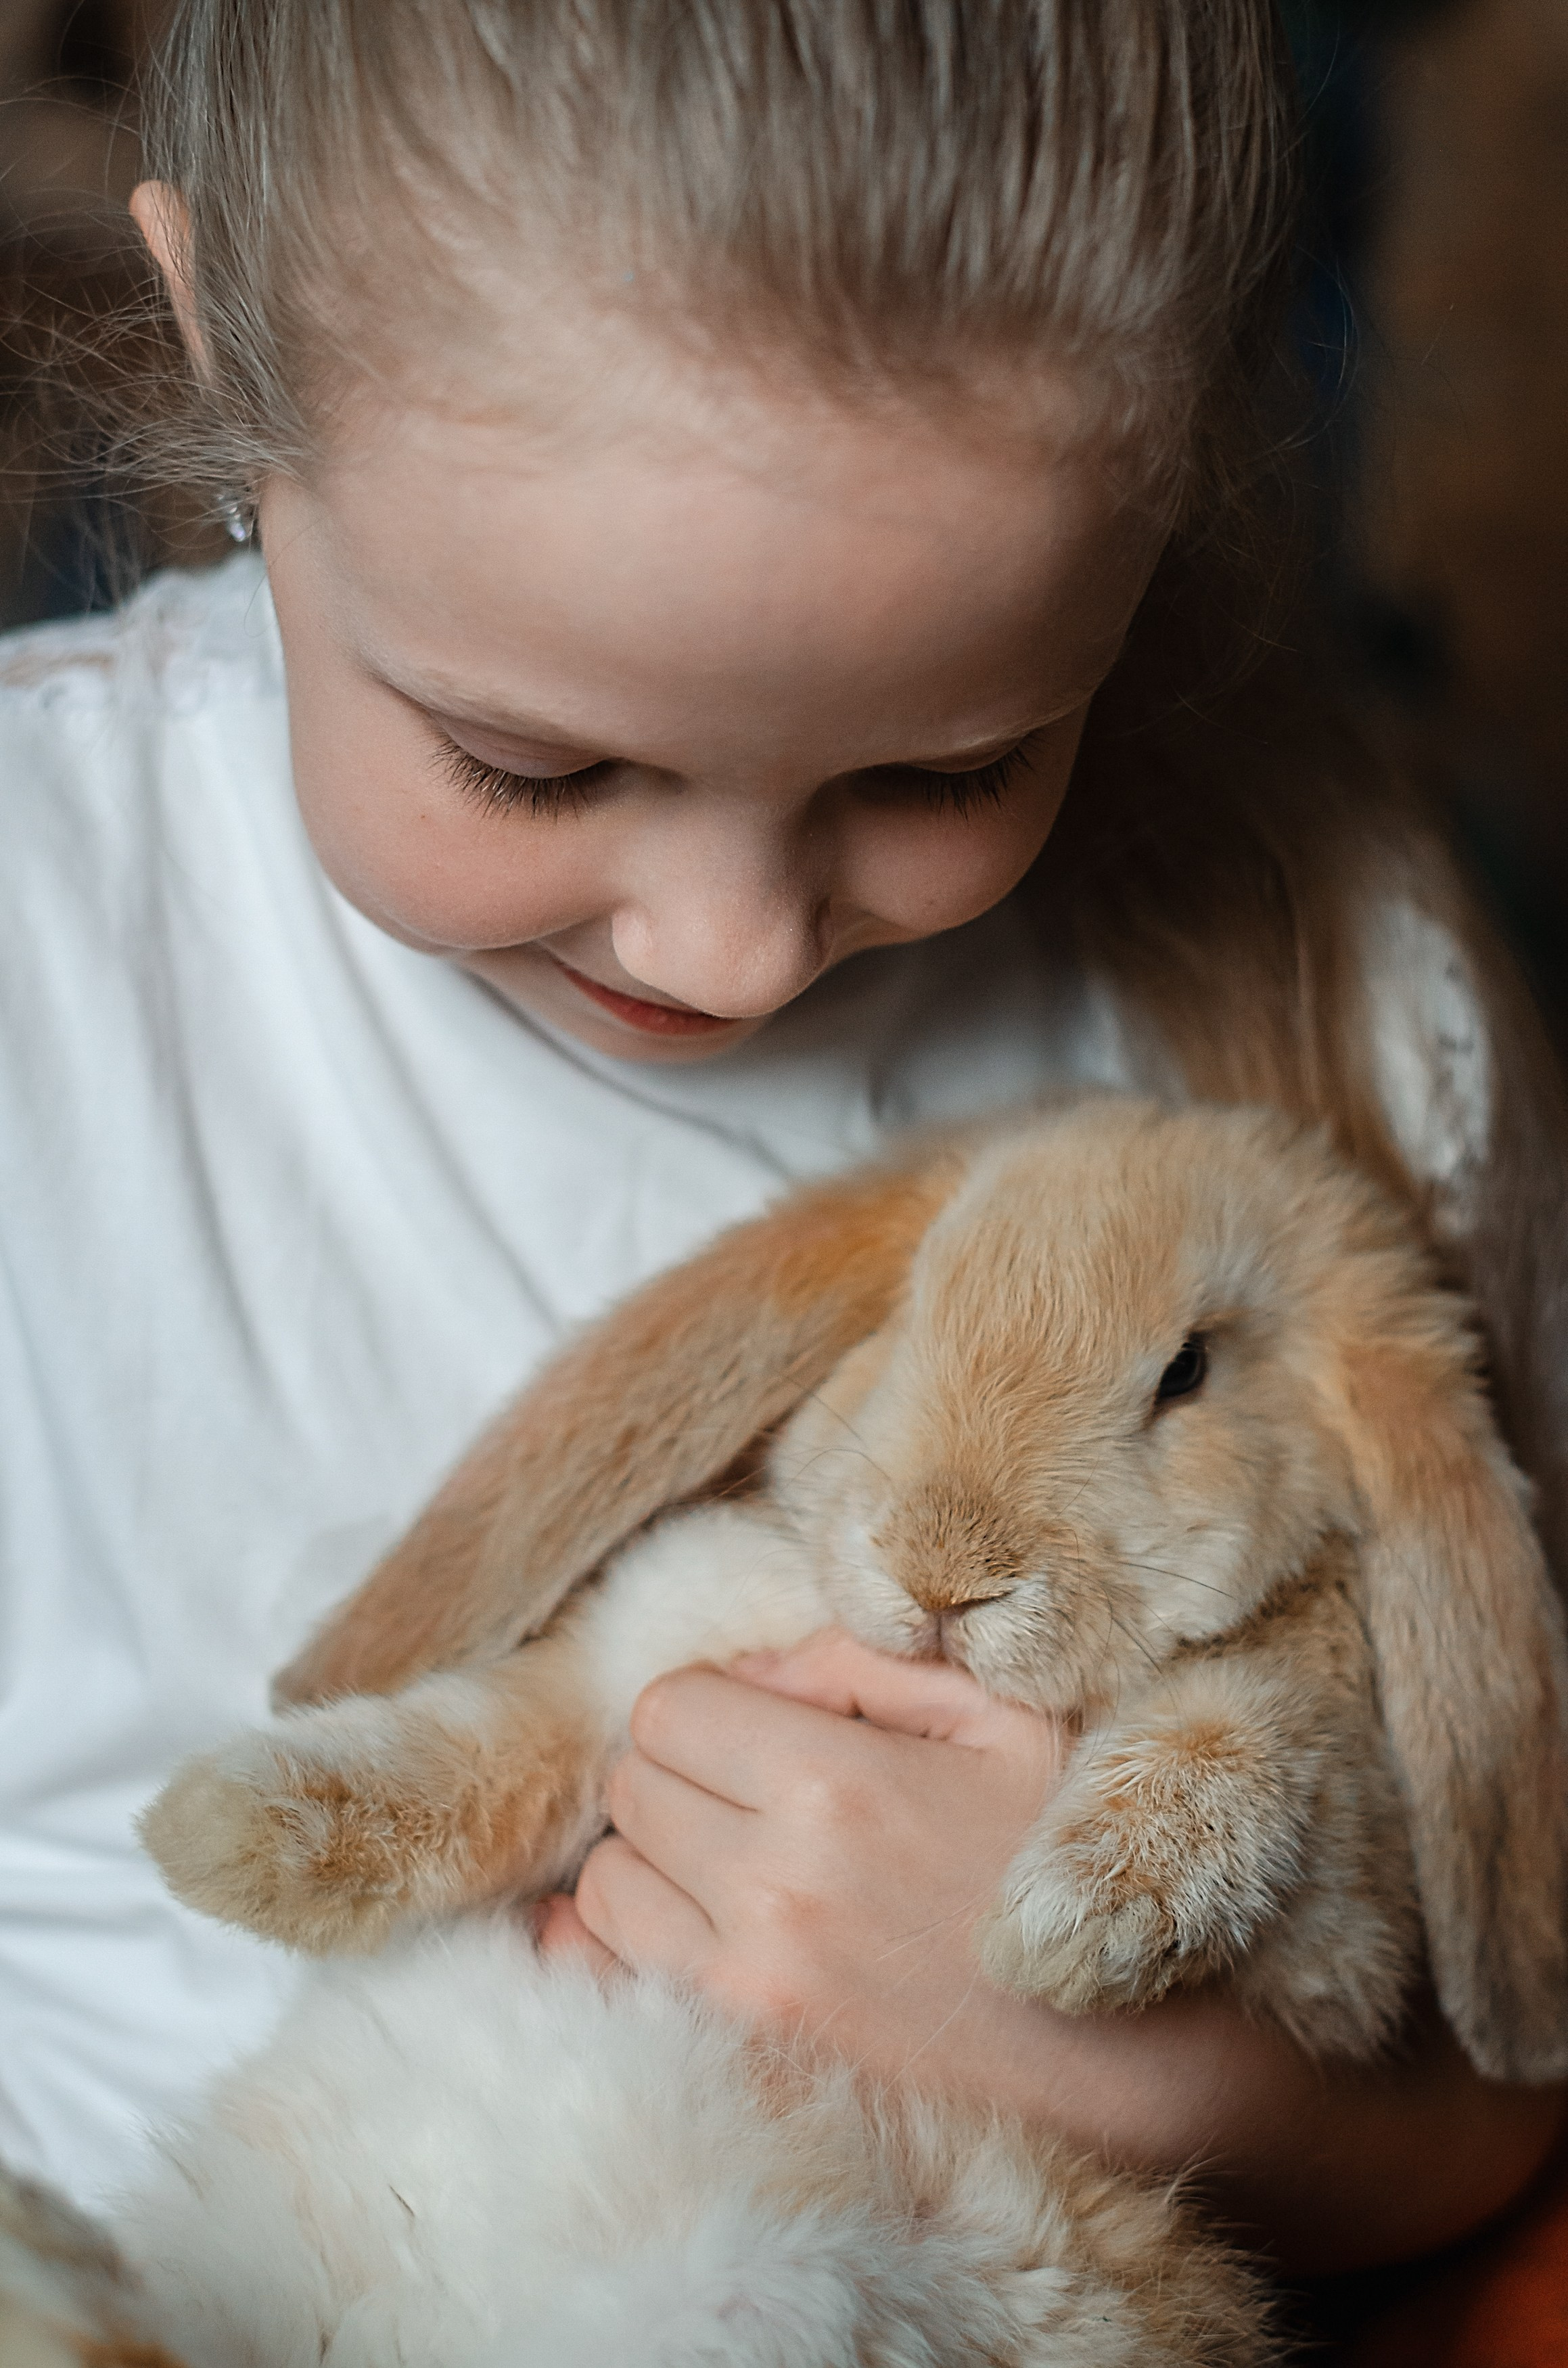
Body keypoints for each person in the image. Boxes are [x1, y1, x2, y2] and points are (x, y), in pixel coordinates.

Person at [1, 0, 1562, 2287]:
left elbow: (1507, 2040)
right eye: (530, 762)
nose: (728, 949)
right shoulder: (50, 942)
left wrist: (1166, 2081)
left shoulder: (1326, 980)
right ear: (219, 323)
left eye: (947, 770)